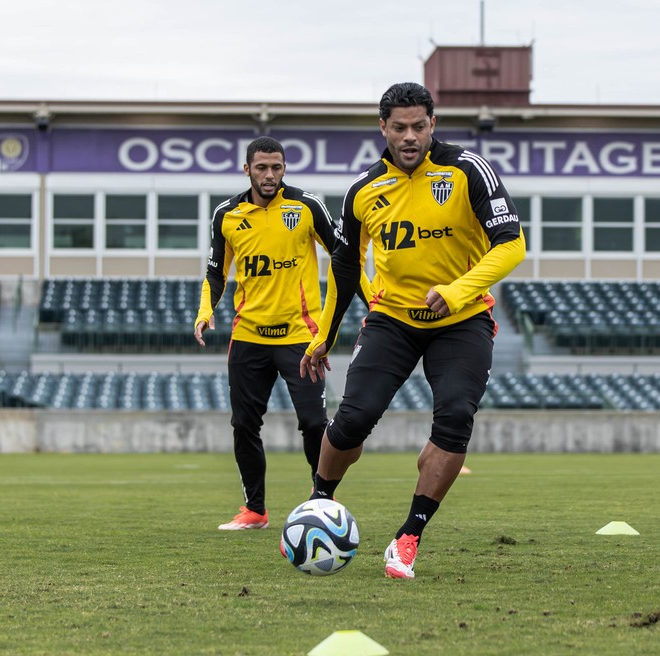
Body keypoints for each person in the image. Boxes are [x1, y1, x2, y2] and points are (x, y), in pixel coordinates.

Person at [300, 82, 526, 578]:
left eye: (418, 126)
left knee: (455, 419)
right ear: (382, 128)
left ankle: (409, 536)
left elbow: (511, 244)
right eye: (398, 127)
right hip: (392, 320)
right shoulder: (363, 191)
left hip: (462, 321)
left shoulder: (468, 170)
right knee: (351, 420)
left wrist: (460, 289)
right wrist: (322, 338)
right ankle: (318, 505)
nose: (409, 136)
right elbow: (343, 270)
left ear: (432, 125)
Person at [195, 136, 369, 531]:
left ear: (284, 168)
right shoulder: (227, 214)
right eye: (261, 168)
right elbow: (215, 273)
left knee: (313, 422)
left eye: (276, 167)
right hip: (248, 337)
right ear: (247, 170)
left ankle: (323, 500)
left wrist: (373, 302)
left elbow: (345, 258)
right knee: (244, 424)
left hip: (300, 337)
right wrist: (205, 313)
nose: (269, 175)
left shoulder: (307, 206)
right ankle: (254, 510)